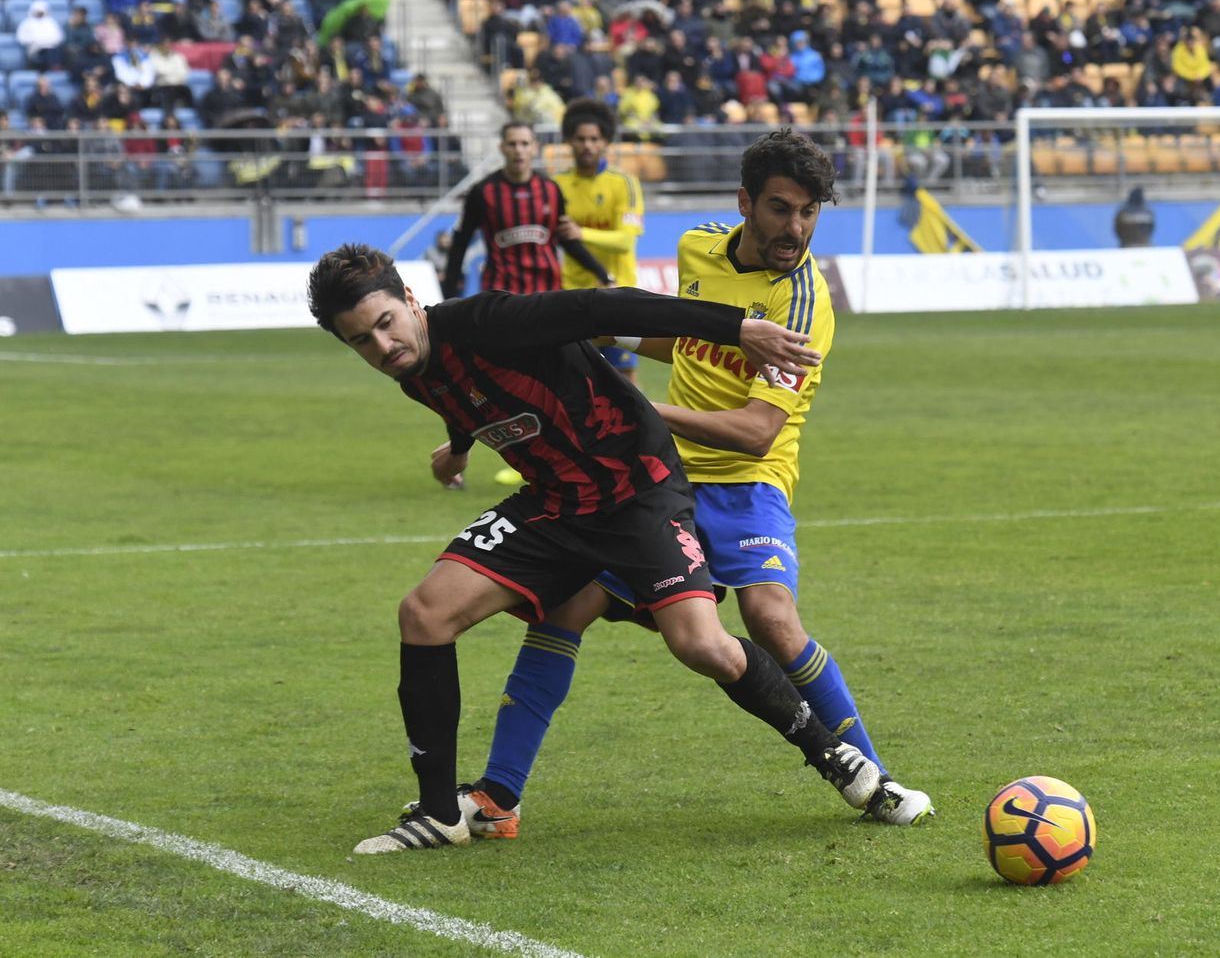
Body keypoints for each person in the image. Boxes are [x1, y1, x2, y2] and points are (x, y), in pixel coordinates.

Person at [306, 244, 886, 853]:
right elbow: (466, 397)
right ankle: (439, 812)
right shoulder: (412, 370)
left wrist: (737, 330)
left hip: (639, 492)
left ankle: (833, 756)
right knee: (423, 614)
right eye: (361, 342)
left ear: (411, 302)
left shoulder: (489, 321)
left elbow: (604, 306)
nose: (381, 347)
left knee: (702, 645)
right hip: (555, 504)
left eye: (385, 324)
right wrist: (459, 448)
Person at [453, 129, 934, 837]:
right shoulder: (698, 247)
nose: (794, 228)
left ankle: (873, 775)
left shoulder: (804, 302)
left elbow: (755, 432)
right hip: (662, 479)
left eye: (808, 213)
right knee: (565, 607)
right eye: (779, 208)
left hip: (748, 486)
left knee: (769, 619)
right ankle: (499, 799)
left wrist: (631, 404)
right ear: (745, 202)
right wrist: (590, 345)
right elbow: (681, 335)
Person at [440, 121, 612, 298]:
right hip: (500, 295)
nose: (518, 150)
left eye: (524, 143)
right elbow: (459, 245)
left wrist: (602, 274)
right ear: (502, 148)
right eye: (512, 144)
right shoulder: (482, 192)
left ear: (534, 148)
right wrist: (448, 298)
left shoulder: (551, 189)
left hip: (547, 293)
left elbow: (566, 240)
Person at [553, 99, 644, 384]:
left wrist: (581, 232)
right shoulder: (556, 185)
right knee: (572, 376)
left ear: (605, 142)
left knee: (625, 378)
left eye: (594, 139)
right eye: (580, 139)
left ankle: (641, 429)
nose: (587, 145)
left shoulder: (624, 183)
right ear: (569, 141)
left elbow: (625, 241)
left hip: (617, 293)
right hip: (572, 295)